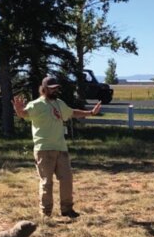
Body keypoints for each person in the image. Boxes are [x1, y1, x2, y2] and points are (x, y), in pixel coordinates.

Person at [12, 76, 101, 218]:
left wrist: (90, 113)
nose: (55, 90)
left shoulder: (59, 104)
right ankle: (45, 213)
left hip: (61, 149)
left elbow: (72, 112)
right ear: (44, 89)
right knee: (47, 182)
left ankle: (67, 209)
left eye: (56, 88)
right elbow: (24, 113)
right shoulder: (37, 105)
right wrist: (18, 110)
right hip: (43, 149)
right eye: (52, 88)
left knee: (67, 179)